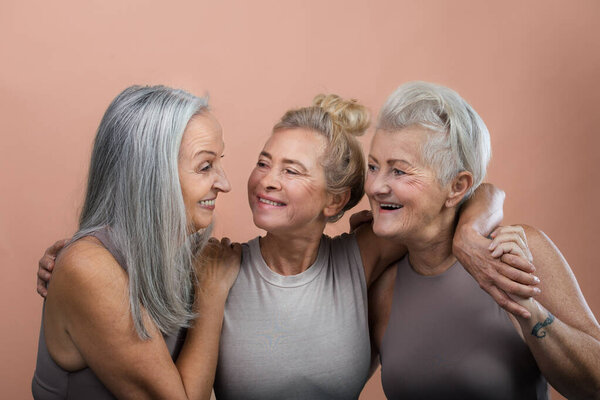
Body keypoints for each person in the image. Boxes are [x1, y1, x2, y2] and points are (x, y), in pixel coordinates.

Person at [37, 92, 534, 399]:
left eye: (292, 171)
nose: (261, 181)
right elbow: (113, 268)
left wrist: (475, 227)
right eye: (264, 161)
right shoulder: (208, 267)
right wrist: (77, 259)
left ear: (335, 200)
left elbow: (445, 201)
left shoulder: (363, 256)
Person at [367, 81, 600, 399]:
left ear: (457, 187)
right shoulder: (384, 287)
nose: (376, 186)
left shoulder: (519, 253)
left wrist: (525, 306)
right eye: (373, 166)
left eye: (399, 172)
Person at [32, 85, 240, 399]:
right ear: (154, 175)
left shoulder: (179, 254)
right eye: (206, 166)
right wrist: (211, 295)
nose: (225, 183)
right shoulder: (88, 268)